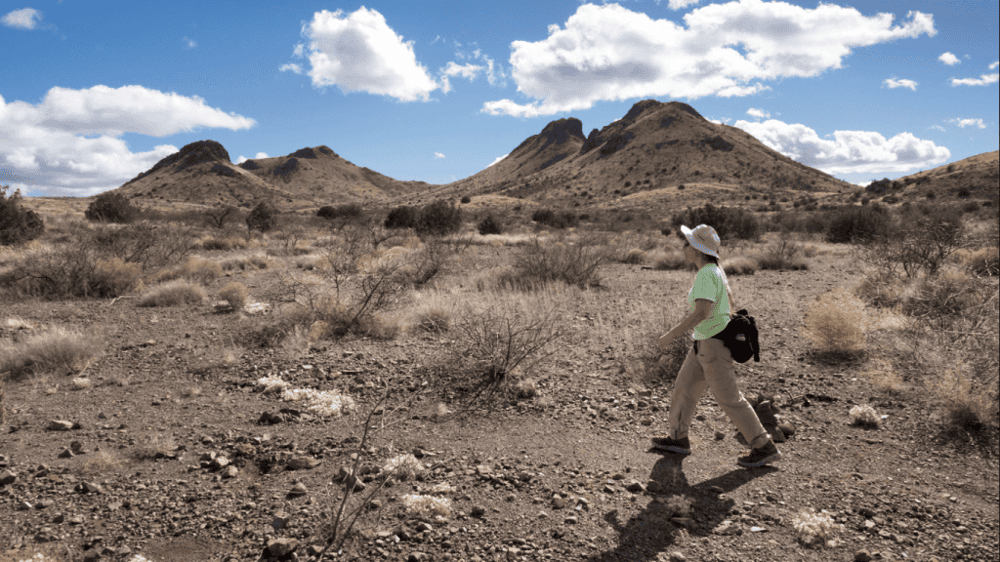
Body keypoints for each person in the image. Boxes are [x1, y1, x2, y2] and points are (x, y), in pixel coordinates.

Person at [651, 224, 781, 468]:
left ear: (697, 249)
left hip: (713, 346)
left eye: (687, 243)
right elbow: (722, 307)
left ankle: (764, 446)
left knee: (729, 398)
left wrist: (670, 335)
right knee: (684, 388)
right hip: (704, 343)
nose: (683, 246)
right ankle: (678, 439)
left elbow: (701, 312)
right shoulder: (714, 270)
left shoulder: (707, 274)